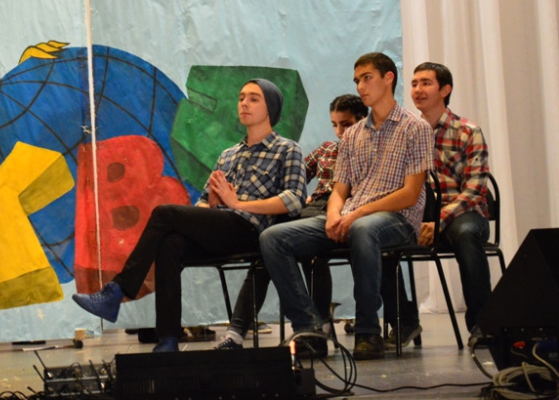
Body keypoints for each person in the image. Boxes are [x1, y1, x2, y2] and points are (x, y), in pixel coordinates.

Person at [71, 79, 305, 353]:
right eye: (241, 97)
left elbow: (294, 199)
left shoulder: (286, 149)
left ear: (270, 108)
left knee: (164, 213)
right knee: (169, 244)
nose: (244, 103)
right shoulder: (228, 155)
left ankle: (117, 291)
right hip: (222, 227)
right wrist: (213, 204)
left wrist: (239, 204)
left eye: (254, 99)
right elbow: (204, 203)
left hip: (254, 232)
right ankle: (168, 339)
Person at [260, 53, 433, 360]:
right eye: (357, 81)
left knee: (364, 229)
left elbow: (410, 194)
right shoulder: (353, 134)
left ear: (388, 78)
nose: (360, 86)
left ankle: (368, 331)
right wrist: (332, 216)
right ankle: (310, 327)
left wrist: (356, 214)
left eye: (367, 78)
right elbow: (339, 190)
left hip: (397, 219)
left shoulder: (415, 128)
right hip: (353, 215)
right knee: (273, 238)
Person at [213, 94, 369, 350]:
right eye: (335, 124)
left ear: (362, 120)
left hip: (346, 213)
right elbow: (293, 177)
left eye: (346, 124)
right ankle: (237, 332)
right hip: (312, 210)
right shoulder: (327, 150)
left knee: (310, 253)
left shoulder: (370, 150)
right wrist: (295, 196)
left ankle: (317, 325)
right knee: (266, 252)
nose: (340, 131)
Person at [380, 62, 493, 350]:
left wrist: (438, 219)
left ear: (445, 90)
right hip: (417, 216)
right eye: (414, 84)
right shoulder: (404, 132)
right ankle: (404, 320)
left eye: (426, 83)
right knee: (374, 237)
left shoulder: (467, 131)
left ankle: (482, 325)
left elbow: (475, 188)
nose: (418, 90)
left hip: (462, 213)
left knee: (466, 234)